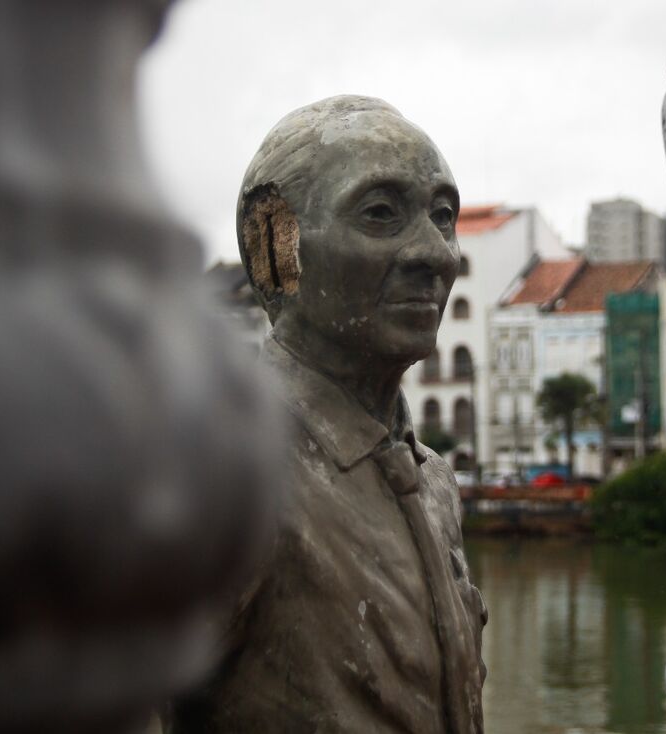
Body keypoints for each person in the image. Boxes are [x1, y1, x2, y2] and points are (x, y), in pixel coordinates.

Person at [168, 96, 486, 733]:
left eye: (443, 217)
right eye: (380, 214)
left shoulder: (435, 484)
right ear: (274, 244)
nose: (435, 253)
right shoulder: (226, 474)